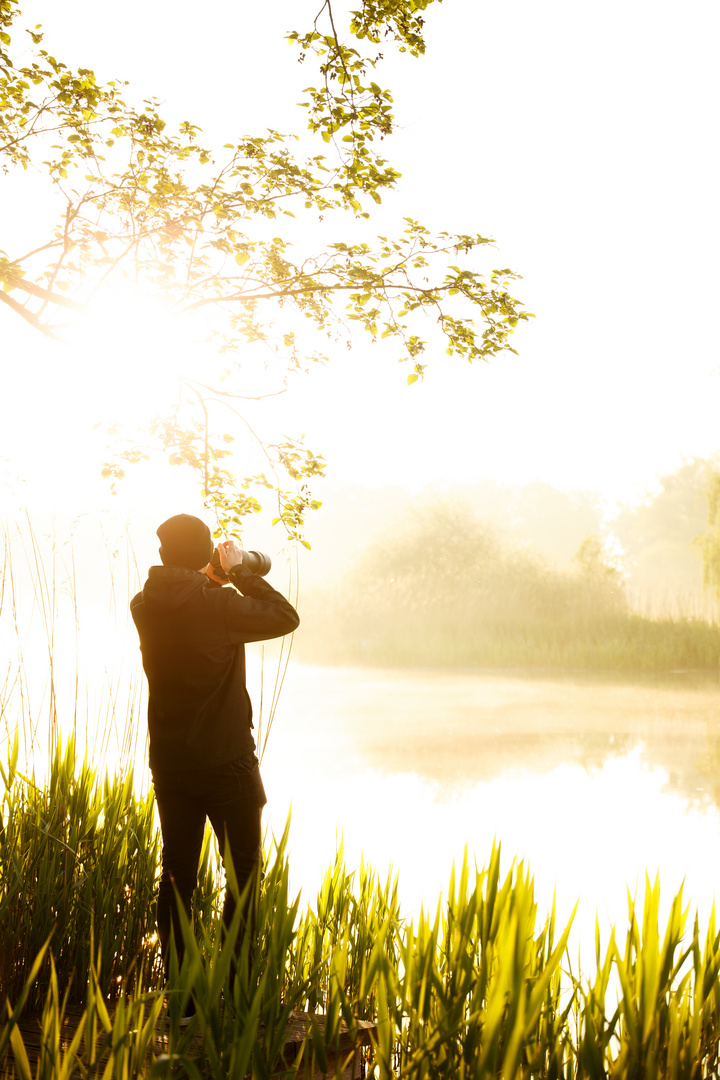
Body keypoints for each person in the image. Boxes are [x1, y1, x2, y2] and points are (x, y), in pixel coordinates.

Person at [130, 512, 299, 992]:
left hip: (170, 763)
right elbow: (286, 617)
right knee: (242, 875)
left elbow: (179, 596)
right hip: (226, 762)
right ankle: (236, 989)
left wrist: (208, 576)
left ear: (163, 555)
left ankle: (181, 995)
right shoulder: (221, 605)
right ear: (204, 554)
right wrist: (241, 570)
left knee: (178, 874)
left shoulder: (142, 604)